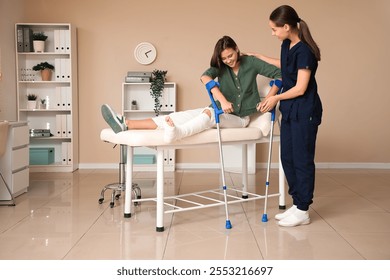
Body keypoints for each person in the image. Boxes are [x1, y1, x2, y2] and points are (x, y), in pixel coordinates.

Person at [101, 35, 282, 143]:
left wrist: (270, 98)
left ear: (237, 49)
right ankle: (127, 123)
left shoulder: (251, 63)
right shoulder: (221, 66)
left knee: (209, 115)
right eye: (224, 58)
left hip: (241, 118)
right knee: (174, 117)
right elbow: (205, 77)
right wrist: (223, 99)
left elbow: (280, 73)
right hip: (218, 109)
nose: (229, 60)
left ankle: (177, 133)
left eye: (231, 55)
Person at [250, 5, 323, 227]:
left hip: (305, 111)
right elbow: (286, 66)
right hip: (290, 111)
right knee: (288, 158)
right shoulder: (287, 44)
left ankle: (303, 210)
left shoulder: (305, 51)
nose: (272, 33)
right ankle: (297, 203)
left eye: (274, 29)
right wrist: (259, 57)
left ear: (287, 26)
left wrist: (275, 98)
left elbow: (301, 88)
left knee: (301, 159)